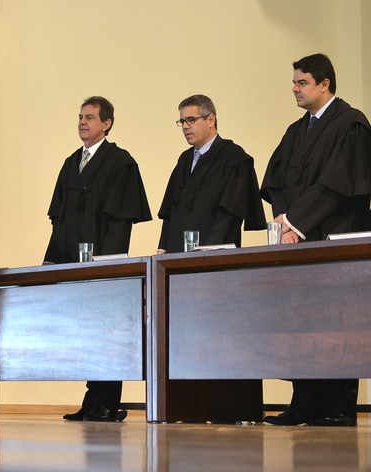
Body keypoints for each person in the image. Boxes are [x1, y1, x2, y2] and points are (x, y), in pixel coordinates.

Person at [260, 53, 371, 427]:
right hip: (300, 242)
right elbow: (276, 181)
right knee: (302, 322)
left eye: (302, 82)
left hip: (337, 239)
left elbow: (337, 185)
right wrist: (285, 225)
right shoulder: (296, 130)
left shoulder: (351, 124)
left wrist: (296, 222)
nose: (294, 88)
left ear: (325, 84)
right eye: (294, 82)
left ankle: (339, 407)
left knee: (338, 322)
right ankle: (303, 405)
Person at [44, 96, 152, 422]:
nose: (82, 122)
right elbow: (59, 219)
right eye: (80, 116)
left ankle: (108, 402)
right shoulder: (70, 163)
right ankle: (92, 400)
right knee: (86, 332)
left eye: (90, 117)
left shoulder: (120, 162)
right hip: (73, 262)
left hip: (104, 263)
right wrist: (52, 260)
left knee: (108, 330)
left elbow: (120, 220)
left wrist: (107, 263)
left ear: (106, 123)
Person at [156, 95, 266, 253]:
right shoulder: (184, 160)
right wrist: (163, 247)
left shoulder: (233, 158)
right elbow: (171, 208)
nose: (185, 127)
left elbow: (230, 213)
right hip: (177, 254)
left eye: (191, 120)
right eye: (182, 121)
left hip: (215, 253)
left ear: (211, 120)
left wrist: (209, 250)